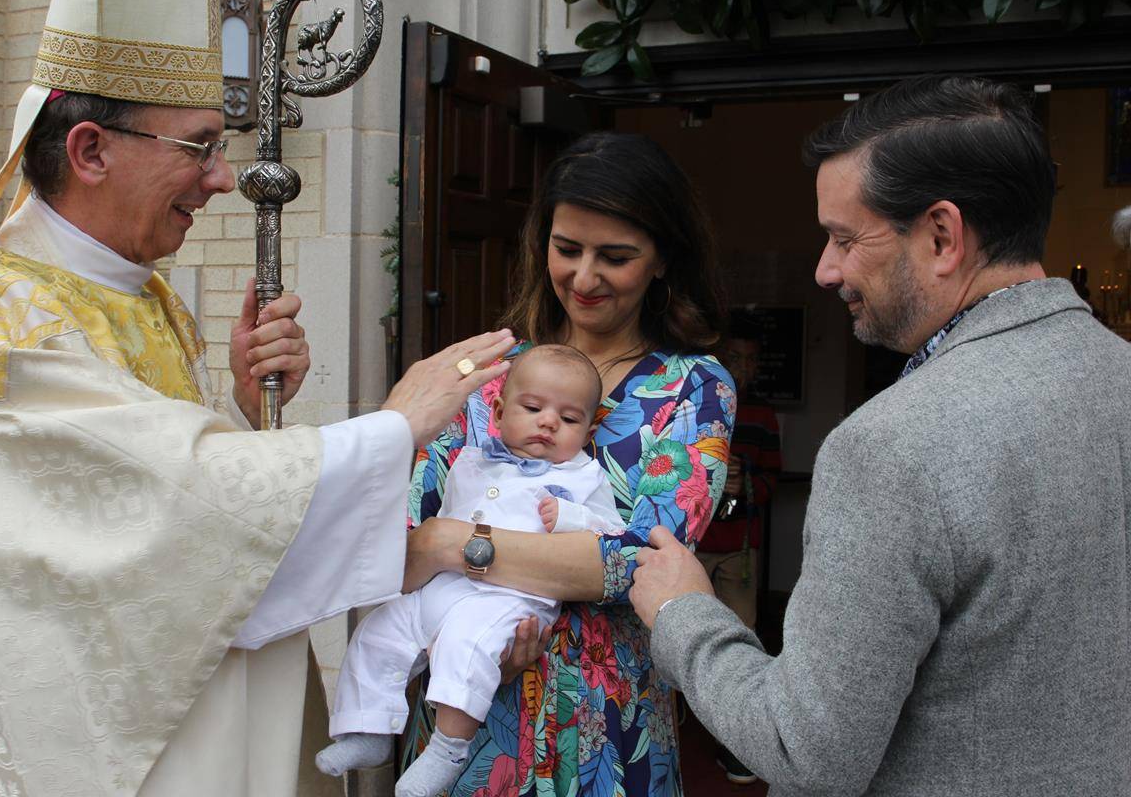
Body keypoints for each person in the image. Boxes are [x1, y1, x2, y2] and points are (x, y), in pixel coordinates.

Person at [0, 0, 510, 795]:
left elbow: (148, 485)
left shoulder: (148, 297)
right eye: (199, 146)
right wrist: (394, 426)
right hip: (101, 733)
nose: (222, 178)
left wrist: (240, 413)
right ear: (91, 150)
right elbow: (143, 520)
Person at [629, 75, 1131, 796]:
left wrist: (684, 613)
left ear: (942, 236)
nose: (825, 270)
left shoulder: (892, 445)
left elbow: (806, 750)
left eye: (842, 238)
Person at [397, 132, 735, 796]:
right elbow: (404, 534)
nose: (584, 277)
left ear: (663, 258)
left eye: (615, 256)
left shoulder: (693, 388)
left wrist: (453, 544)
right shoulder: (487, 375)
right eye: (567, 249)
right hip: (471, 716)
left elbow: (641, 561)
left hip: (609, 725)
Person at [317, 344, 625, 796]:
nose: (548, 422)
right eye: (534, 408)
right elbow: (430, 518)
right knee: (379, 632)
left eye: (569, 418)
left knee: (466, 644)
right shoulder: (471, 460)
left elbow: (614, 535)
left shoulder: (585, 477)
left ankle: (446, 750)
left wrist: (572, 518)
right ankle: (368, 729)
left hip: (513, 599)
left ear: (588, 428)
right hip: (444, 586)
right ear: (498, 411)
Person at [694, 314, 782, 785]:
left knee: (740, 638)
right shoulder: (699, 402)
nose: (742, 369)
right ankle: (678, 723)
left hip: (739, 548)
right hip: (692, 545)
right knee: (674, 634)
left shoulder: (763, 415)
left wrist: (746, 485)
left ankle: (739, 745)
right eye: (733, 359)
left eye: (750, 361)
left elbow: (773, 477)